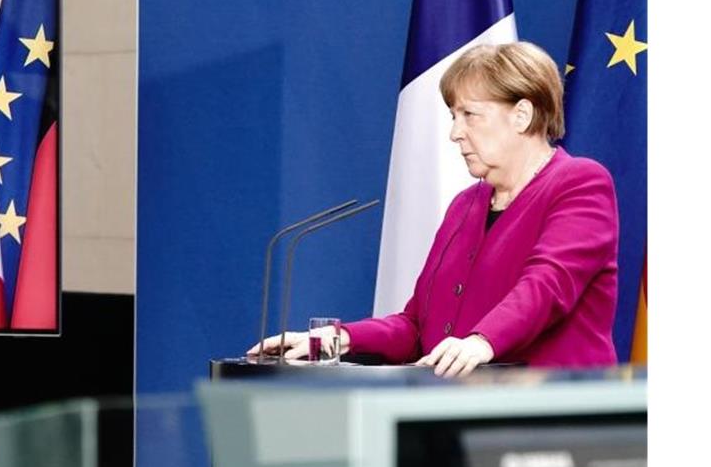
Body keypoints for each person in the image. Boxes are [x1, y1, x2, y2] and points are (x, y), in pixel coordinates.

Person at [249, 42, 618, 376]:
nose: (455, 133)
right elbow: (417, 327)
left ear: (521, 115)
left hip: (554, 421)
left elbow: (546, 285)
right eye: (453, 116)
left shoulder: (580, 183)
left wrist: (480, 341)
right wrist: (338, 338)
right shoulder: (465, 206)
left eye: (469, 115)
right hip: (461, 419)